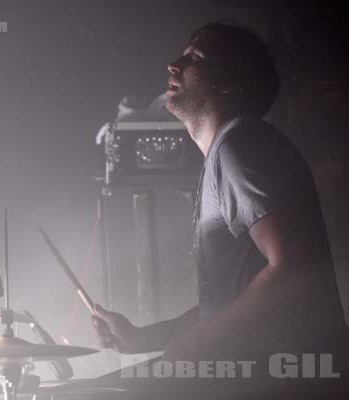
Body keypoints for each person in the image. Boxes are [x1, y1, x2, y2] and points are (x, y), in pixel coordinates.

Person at [92, 21, 349, 398]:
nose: (173, 65)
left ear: (228, 82)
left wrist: (199, 343)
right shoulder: (229, 150)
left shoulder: (240, 146)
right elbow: (229, 305)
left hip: (293, 371)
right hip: (263, 364)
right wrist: (144, 337)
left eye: (194, 57)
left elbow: (293, 269)